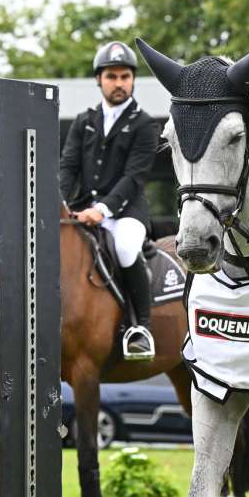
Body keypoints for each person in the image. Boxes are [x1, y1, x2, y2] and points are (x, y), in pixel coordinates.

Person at [60, 41, 159, 359]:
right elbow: (67, 168)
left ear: (132, 80)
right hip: (82, 208)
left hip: (126, 211)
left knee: (126, 248)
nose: (119, 83)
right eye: (112, 77)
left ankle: (138, 326)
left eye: (125, 77)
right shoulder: (83, 121)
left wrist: (102, 211)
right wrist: (62, 205)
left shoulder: (144, 125)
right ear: (99, 80)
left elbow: (134, 177)